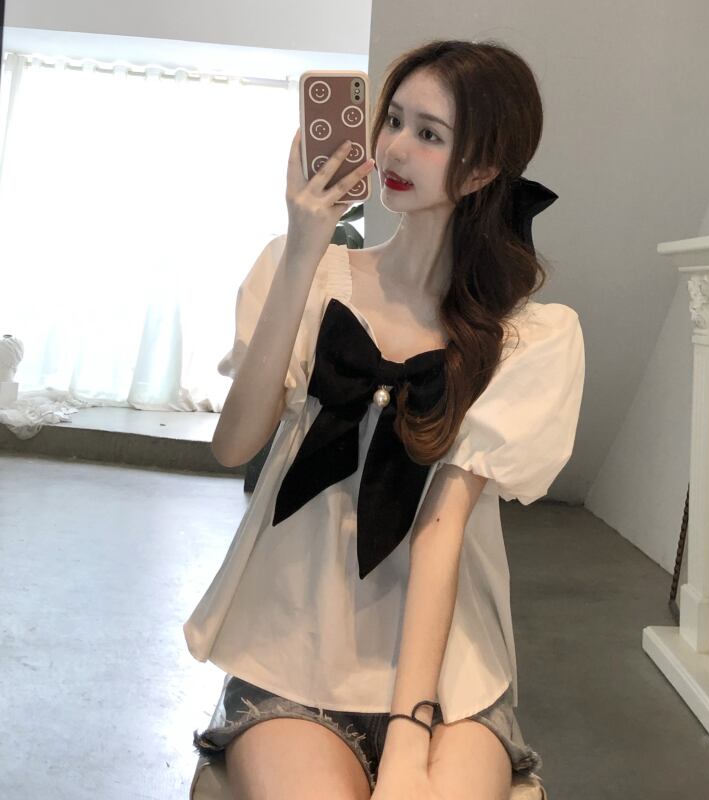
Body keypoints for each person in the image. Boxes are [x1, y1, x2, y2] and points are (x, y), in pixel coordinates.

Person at [184, 38, 585, 800]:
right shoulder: (303, 272)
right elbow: (234, 445)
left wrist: (409, 737)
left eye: (429, 134)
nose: (394, 148)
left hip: (446, 675)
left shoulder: (530, 337)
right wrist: (304, 248)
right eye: (393, 119)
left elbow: (439, 533)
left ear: (481, 170)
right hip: (295, 646)